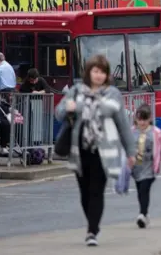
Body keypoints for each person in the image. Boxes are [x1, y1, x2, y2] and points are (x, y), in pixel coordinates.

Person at [55, 54, 136, 247]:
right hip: (80, 149)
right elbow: (58, 114)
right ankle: (92, 223)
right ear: (89, 72)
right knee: (84, 191)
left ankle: (92, 230)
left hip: (103, 150)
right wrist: (69, 107)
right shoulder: (76, 91)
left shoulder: (113, 94)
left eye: (103, 72)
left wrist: (131, 152)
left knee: (96, 190)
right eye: (96, 71)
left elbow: (123, 124)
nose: (99, 75)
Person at [131, 104, 161, 229]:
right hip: (136, 167)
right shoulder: (132, 132)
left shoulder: (157, 133)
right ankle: (144, 213)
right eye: (140, 119)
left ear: (150, 119)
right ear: (136, 119)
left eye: (145, 119)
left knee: (145, 189)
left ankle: (142, 214)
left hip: (150, 168)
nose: (142, 122)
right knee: (140, 191)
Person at [0, 52, 17, 153]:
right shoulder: (9, 66)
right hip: (11, 93)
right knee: (10, 117)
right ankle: (8, 143)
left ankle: (3, 145)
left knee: (3, 119)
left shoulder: (1, 67)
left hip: (4, 95)